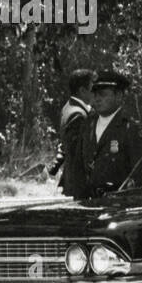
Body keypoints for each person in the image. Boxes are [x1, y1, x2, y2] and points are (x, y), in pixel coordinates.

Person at [79, 71, 142, 200]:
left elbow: (140, 175)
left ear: (119, 96)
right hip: (89, 203)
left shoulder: (130, 129)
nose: (97, 99)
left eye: (103, 94)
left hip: (119, 205)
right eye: (95, 94)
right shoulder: (87, 126)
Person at [49, 69, 94, 197]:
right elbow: (79, 156)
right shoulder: (78, 115)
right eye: (92, 87)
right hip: (79, 186)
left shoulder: (68, 107)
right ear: (82, 90)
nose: (96, 92)